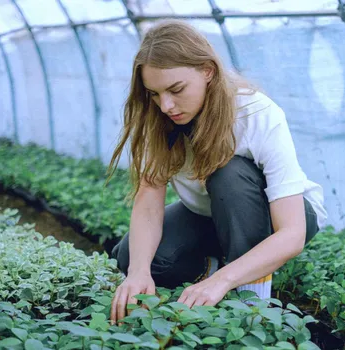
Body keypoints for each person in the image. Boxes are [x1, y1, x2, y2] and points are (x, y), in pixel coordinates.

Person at [106, 19, 327, 324]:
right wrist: (138, 274)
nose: (166, 105)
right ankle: (215, 265)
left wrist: (222, 282)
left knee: (229, 172)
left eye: (176, 89)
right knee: (131, 257)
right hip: (210, 214)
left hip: (279, 219)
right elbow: (148, 200)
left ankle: (251, 299)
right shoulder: (157, 119)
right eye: (154, 94)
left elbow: (292, 233)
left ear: (207, 70)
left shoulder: (257, 113)